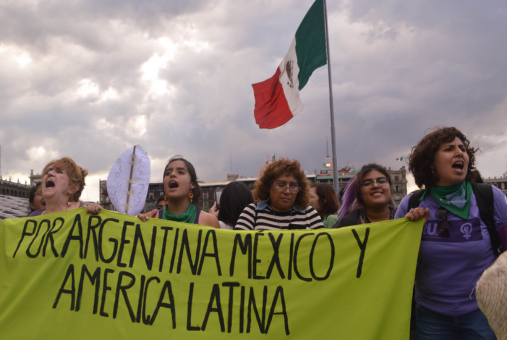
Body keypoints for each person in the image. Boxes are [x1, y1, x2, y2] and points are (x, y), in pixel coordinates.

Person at [395, 127, 507, 339]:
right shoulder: (410, 204)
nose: (459, 153)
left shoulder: (491, 197)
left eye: (462, 148)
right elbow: (398, 265)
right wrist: (410, 234)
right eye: (449, 148)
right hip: (431, 316)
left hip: (484, 313)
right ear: (430, 163)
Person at [234, 158, 324, 231]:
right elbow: (239, 246)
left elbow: (323, 246)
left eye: (293, 186)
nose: (287, 191)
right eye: (281, 185)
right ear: (268, 186)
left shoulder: (310, 214)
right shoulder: (252, 213)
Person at [334, 163, 428, 228]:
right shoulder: (346, 224)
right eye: (367, 183)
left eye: (381, 181)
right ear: (359, 192)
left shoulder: (405, 217)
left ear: (390, 187)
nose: (375, 185)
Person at [137, 156, 219, 228]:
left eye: (180, 172)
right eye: (168, 173)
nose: (172, 174)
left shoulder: (209, 222)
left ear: (192, 184)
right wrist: (136, 224)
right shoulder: (150, 219)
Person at [29, 157, 101, 216]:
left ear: (72, 188)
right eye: (47, 172)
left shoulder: (87, 212)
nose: (50, 173)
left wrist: (98, 213)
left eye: (59, 172)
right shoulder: (33, 217)